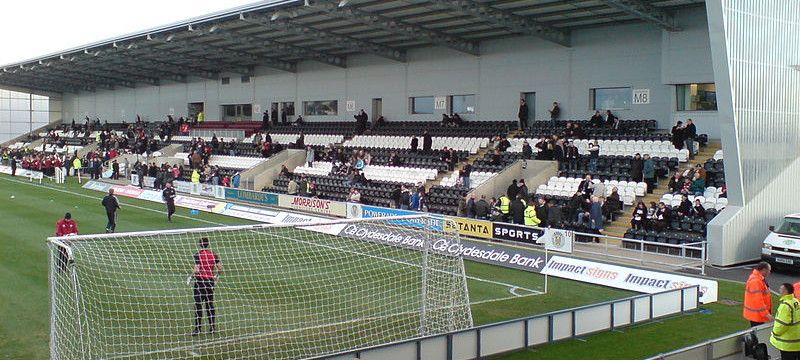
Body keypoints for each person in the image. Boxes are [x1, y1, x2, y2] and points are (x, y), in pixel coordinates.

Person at [191, 237, 222, 336]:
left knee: (198, 305)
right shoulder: (214, 254)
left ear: (200, 244)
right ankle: (212, 327)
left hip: (200, 282)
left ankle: (197, 329)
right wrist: (216, 277)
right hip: (210, 282)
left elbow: (196, 270)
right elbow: (220, 269)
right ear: (208, 244)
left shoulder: (198, 255)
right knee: (210, 304)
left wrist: (191, 276)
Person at [771, 283, 800, 359]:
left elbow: (782, 324)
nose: (779, 290)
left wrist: (774, 333)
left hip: (788, 343)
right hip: (796, 341)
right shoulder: (795, 301)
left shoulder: (785, 306)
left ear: (785, 291)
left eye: (781, 289)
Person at [743, 261, 773, 327]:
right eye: (769, 270)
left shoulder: (758, 278)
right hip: (756, 315)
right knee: (757, 334)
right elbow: (758, 301)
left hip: (757, 314)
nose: (769, 272)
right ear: (764, 270)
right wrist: (766, 314)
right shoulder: (756, 281)